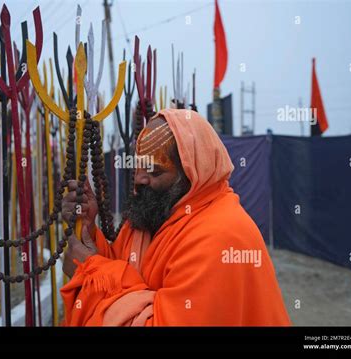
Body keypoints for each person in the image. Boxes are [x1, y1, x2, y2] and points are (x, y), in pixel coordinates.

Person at [60, 108, 291, 326]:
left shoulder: (220, 237)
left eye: (155, 171)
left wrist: (90, 273)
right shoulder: (156, 211)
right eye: (138, 167)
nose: (139, 179)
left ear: (191, 173)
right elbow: (122, 269)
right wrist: (89, 229)